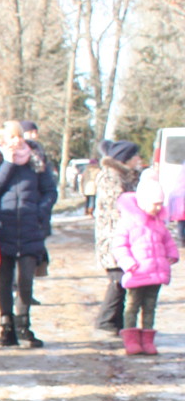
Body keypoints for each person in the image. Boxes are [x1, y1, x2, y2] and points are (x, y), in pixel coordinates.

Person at [0, 119, 56, 347]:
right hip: (3, 227)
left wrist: (38, 212)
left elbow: (50, 191)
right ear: (3, 139)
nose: (17, 141)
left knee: (25, 280)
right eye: (11, 137)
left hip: (30, 228)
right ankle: (7, 326)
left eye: (19, 136)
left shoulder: (37, 159)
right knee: (4, 280)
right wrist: (8, 163)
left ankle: (24, 325)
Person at [112, 173, 178, 355]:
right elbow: (119, 245)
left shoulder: (158, 223)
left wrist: (172, 254)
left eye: (160, 204)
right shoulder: (128, 222)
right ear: (142, 202)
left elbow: (167, 241)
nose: (158, 207)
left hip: (156, 273)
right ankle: (131, 340)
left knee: (150, 307)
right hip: (137, 273)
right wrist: (128, 263)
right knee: (132, 306)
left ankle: (148, 340)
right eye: (154, 203)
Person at [86, 142, 143, 333]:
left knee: (122, 280)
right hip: (113, 237)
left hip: (123, 236)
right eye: (135, 156)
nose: (139, 160)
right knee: (117, 280)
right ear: (125, 158)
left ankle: (115, 321)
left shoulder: (124, 176)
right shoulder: (111, 177)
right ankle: (106, 321)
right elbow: (118, 207)